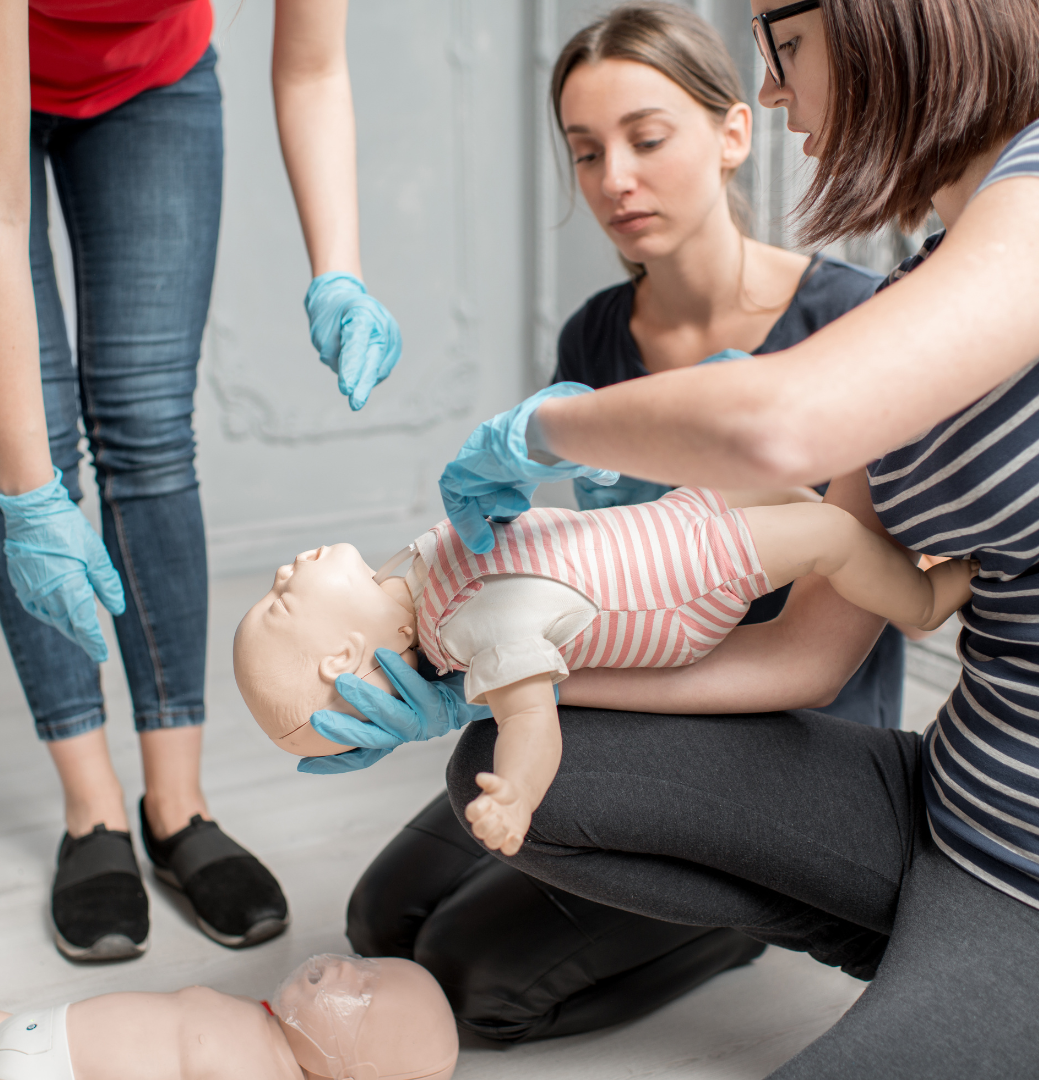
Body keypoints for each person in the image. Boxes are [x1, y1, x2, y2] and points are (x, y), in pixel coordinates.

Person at [434, 0, 1039, 1073]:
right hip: (952, 799)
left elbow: (779, 423)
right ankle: (936, 965)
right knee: (510, 768)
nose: (769, 88)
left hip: (1023, 870)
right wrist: (497, 675)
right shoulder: (917, 290)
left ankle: (957, 975)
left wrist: (540, 427)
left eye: (787, 46)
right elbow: (805, 653)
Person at [308, 4, 915, 1046]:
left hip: (781, 731)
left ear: (733, 133)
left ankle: (737, 913)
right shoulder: (597, 332)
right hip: (628, 706)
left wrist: (500, 695)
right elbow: (572, 580)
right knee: (381, 919)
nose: (613, 182)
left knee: (475, 985)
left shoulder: (853, 329)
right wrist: (453, 655)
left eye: (646, 138)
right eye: (587, 153)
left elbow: (812, 662)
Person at [0, 0, 401, 961]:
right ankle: (93, 814)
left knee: (152, 433)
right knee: (25, 452)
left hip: (152, 82)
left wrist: (340, 272)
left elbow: (313, 68)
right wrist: (32, 498)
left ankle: (178, 807)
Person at [235, 488, 973, 857]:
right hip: (682, 584)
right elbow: (532, 723)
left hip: (668, 520)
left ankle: (898, 571)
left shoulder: (419, 570)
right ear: (339, 658)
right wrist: (516, 794)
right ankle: (927, 599)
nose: (280, 573)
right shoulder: (474, 629)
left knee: (785, 489)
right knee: (828, 534)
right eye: (279, 605)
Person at [0, 954, 459, 1080]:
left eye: (365, 990)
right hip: (19, 1031)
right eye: (367, 963)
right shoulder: (263, 1021)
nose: (347, 968)